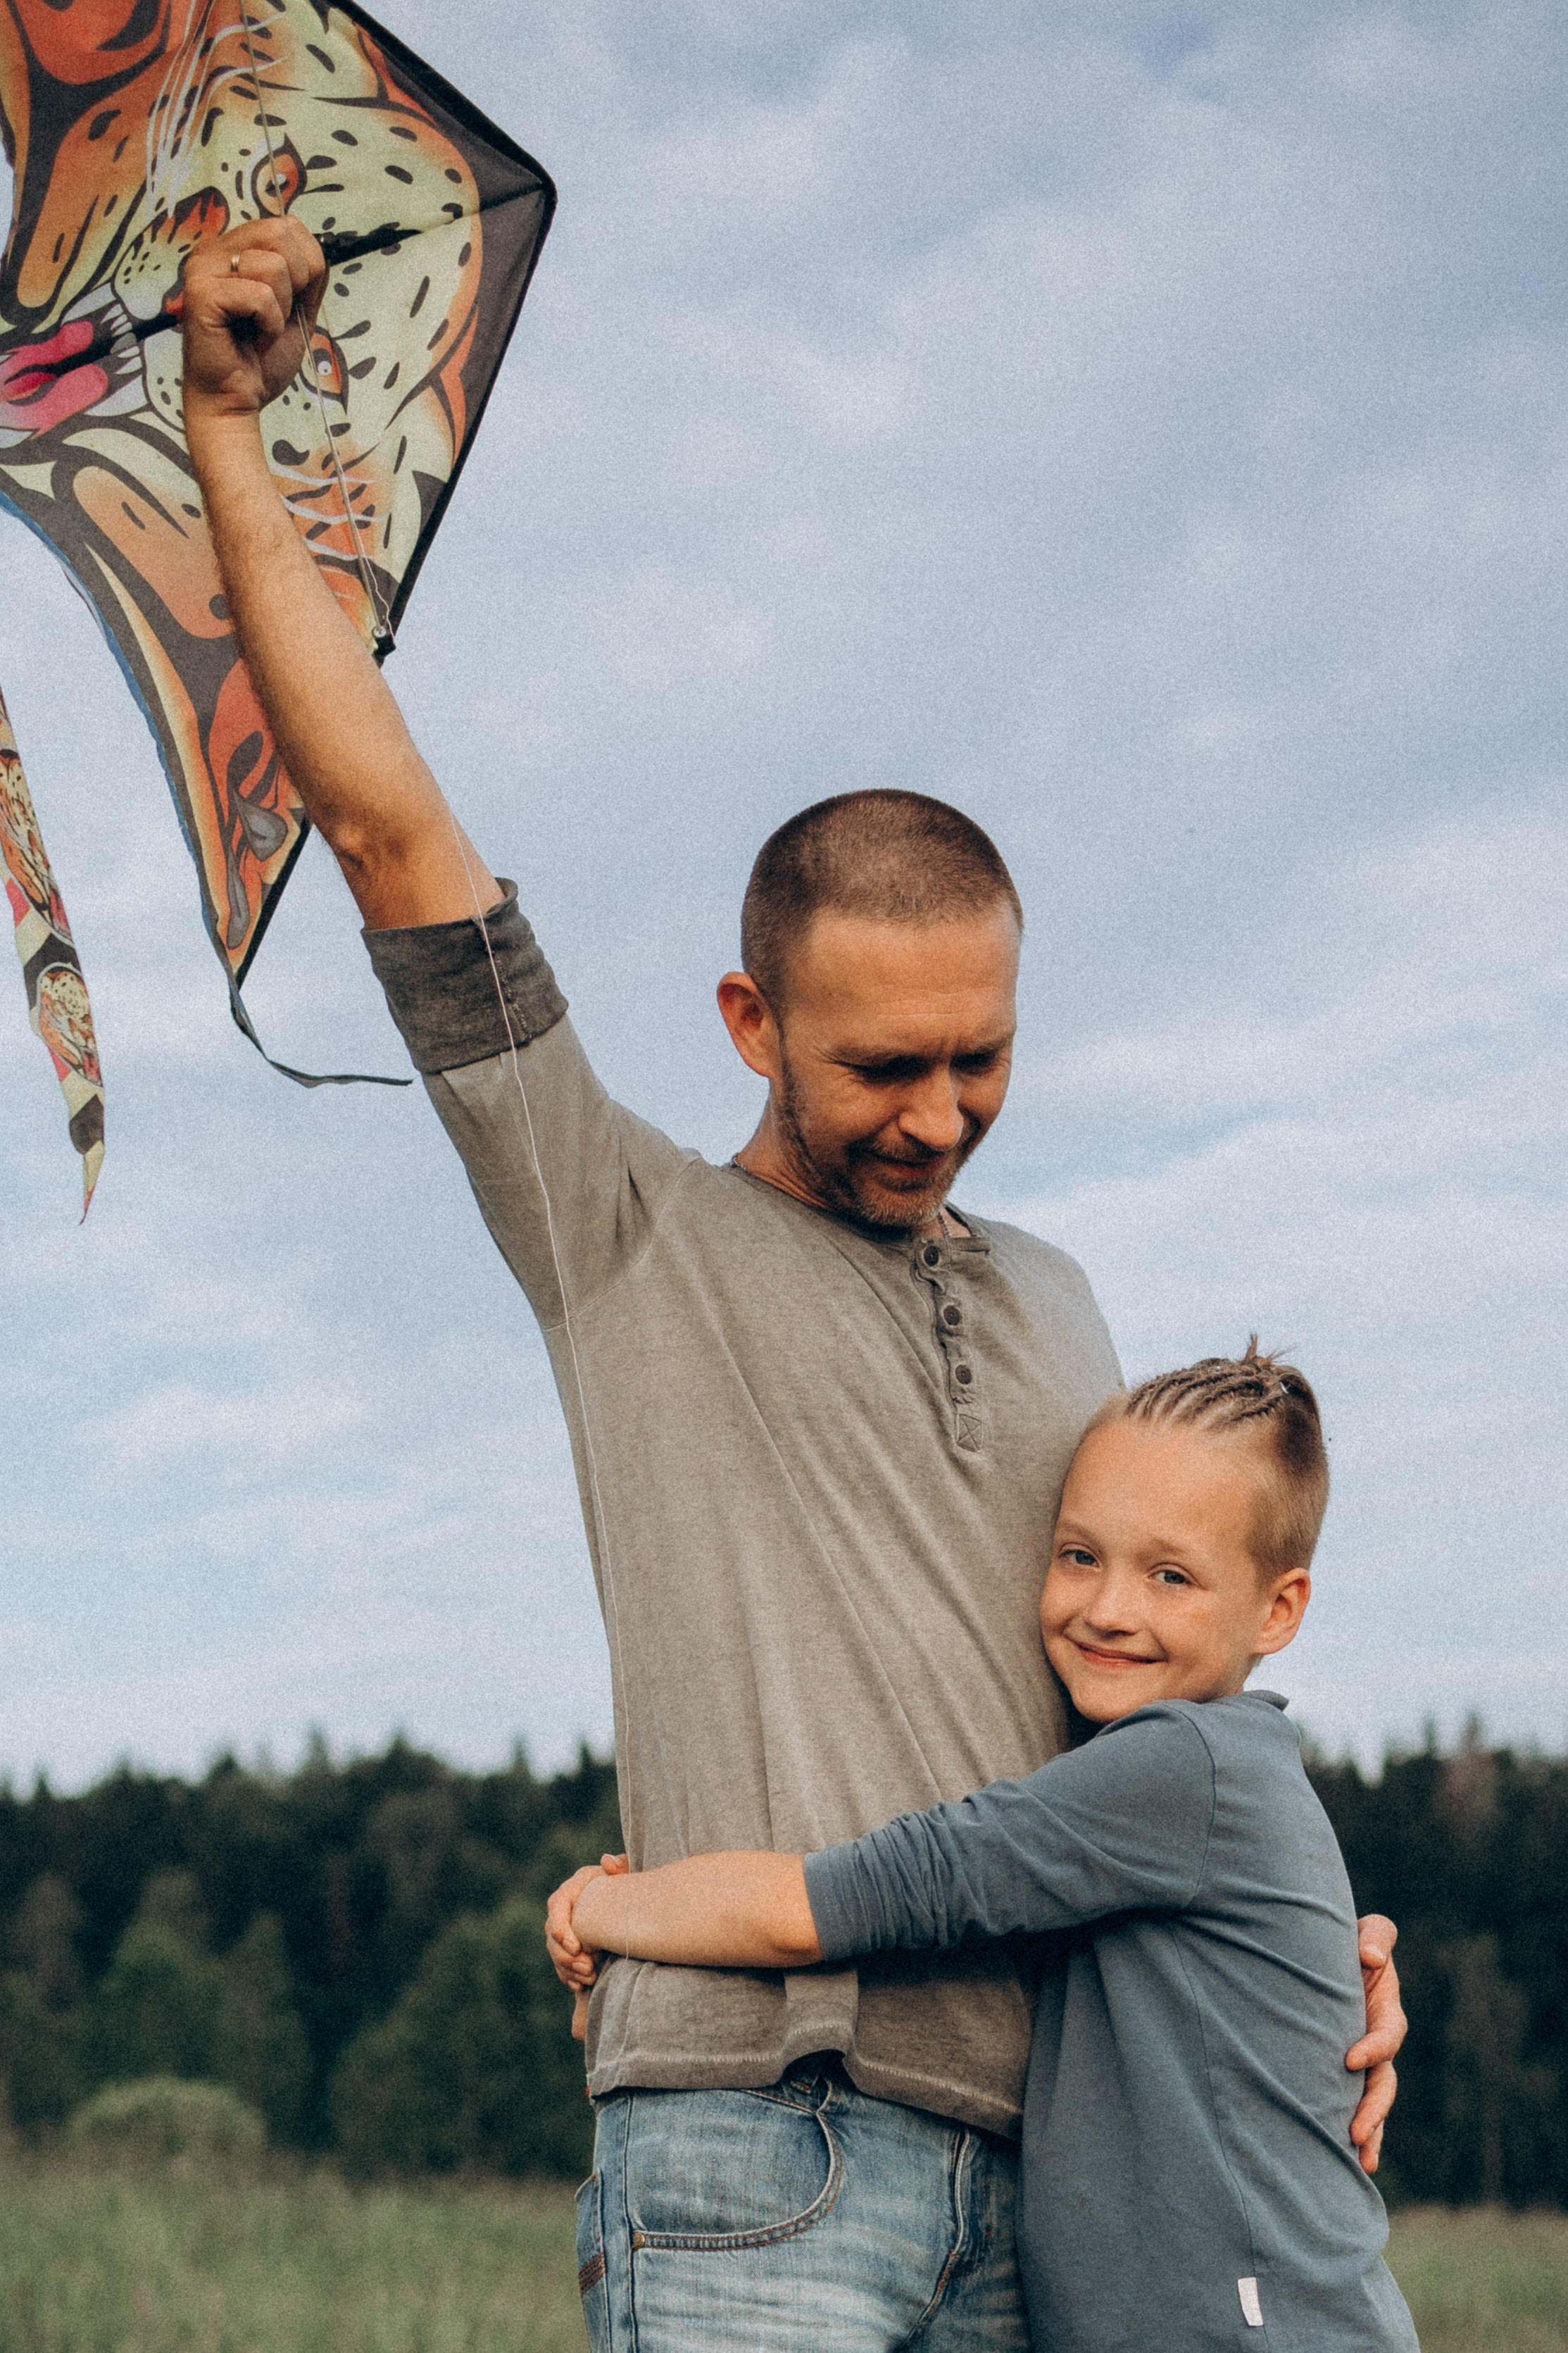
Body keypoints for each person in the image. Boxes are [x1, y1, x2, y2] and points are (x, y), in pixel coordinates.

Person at [179, 217, 1405, 2353]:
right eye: (881, 1064)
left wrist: (1311, 1937)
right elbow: (390, 837)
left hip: (1059, 2186)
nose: (941, 1112)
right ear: (749, 1018)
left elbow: (1149, 1707)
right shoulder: (620, 1225)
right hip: (760, 2148)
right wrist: (227, 430)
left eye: (983, 1054)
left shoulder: (1062, 1305)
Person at [547, 1350, 1421, 2353]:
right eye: (1080, 1554)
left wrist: (598, 1907)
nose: (1109, 1607)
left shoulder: (1180, 1763)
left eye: (1170, 1574)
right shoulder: (1219, 1774)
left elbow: (828, 1904)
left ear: (1278, 1608)